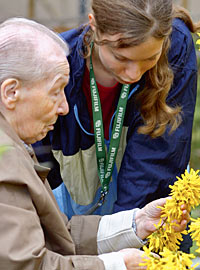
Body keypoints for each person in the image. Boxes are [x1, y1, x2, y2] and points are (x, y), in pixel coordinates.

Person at [0, 17, 189, 270]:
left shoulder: (13, 144)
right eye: (56, 91)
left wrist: (137, 223)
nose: (64, 107)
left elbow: (57, 236)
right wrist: (117, 264)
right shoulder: (5, 161)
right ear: (11, 92)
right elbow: (26, 265)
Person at [34, 0, 200, 221]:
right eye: (121, 58)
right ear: (94, 26)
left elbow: (155, 163)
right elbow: (39, 161)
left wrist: (127, 235)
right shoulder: (56, 58)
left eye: (150, 58)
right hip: (71, 199)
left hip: (143, 202)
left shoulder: (176, 44)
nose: (133, 74)